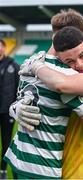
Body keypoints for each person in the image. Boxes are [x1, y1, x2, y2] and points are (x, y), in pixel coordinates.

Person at [4, 17, 83, 180]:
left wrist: (36, 66)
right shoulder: (52, 73)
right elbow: (31, 93)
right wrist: (16, 107)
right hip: (51, 166)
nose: (78, 64)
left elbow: (62, 84)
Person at [0, 39, 20, 179]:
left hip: (7, 111)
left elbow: (19, 90)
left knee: (6, 142)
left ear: (4, 48)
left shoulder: (13, 65)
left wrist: (15, 108)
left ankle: (3, 170)